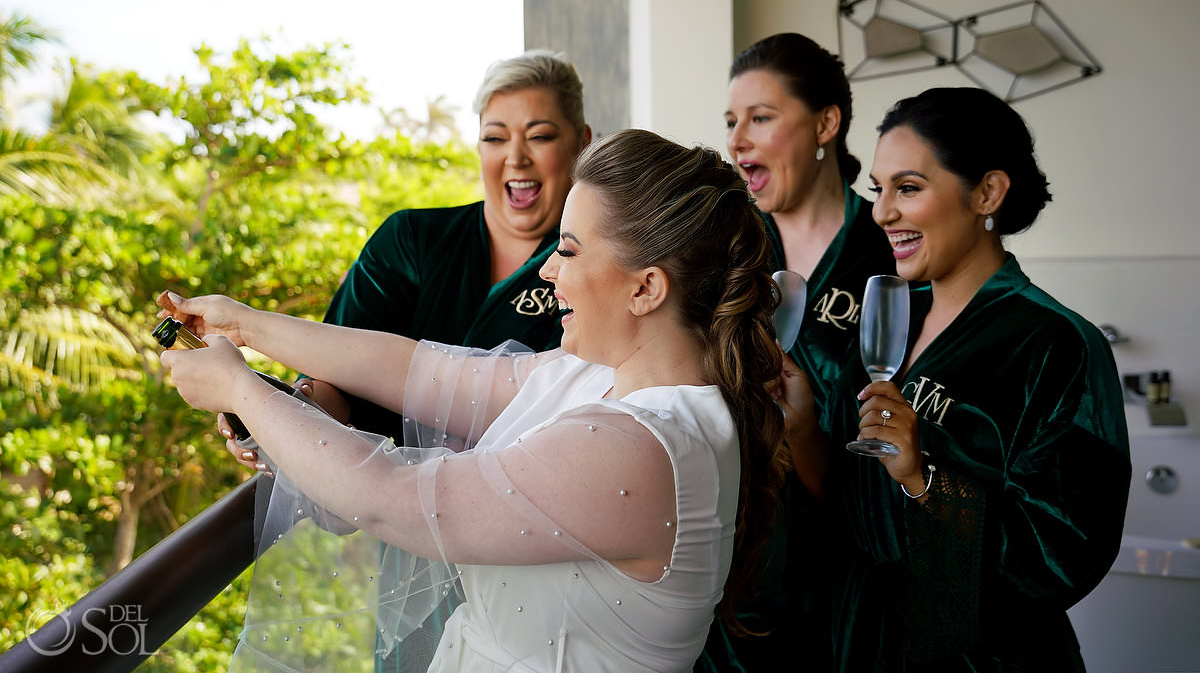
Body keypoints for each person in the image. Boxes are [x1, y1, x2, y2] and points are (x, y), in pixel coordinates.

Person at [159, 129, 787, 672]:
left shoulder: (644, 446)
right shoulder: (592, 377)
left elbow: (391, 498)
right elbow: (413, 368)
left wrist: (241, 388)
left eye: (568, 250)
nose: (546, 270)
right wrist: (246, 325)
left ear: (647, 288)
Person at [789, 87, 1130, 670]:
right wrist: (798, 426)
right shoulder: (889, 317)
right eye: (878, 189)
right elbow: (845, 502)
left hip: (976, 653)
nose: (882, 212)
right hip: (860, 635)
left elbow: (1067, 546)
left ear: (988, 192)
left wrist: (923, 478)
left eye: (909, 188)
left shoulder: (1055, 344)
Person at [220, 49, 592, 454]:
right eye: (495, 138)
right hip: (398, 498)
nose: (516, 158)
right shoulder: (410, 239)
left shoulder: (600, 264)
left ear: (583, 143)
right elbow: (334, 376)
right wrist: (281, 409)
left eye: (539, 137)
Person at [701, 33, 894, 669]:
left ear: (826, 123)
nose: (737, 140)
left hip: (853, 579)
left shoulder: (893, 255)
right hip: (729, 568)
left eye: (761, 117)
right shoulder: (726, 253)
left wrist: (806, 430)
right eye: (732, 122)